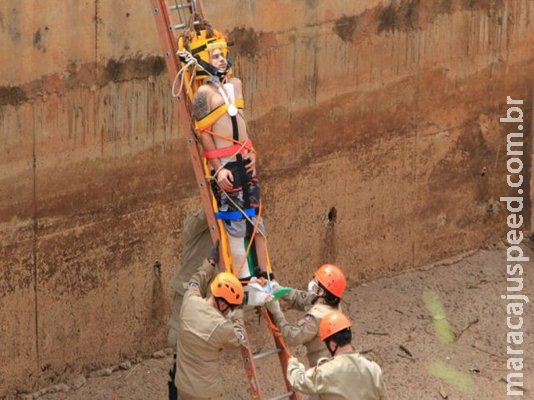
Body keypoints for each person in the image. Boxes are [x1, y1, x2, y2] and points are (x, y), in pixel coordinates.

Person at [181, 21, 270, 279]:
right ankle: (242, 279)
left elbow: (240, 122)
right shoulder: (203, 95)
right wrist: (217, 169)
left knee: (257, 221)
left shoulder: (236, 85)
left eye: (222, 54)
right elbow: (205, 135)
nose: (221, 60)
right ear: (202, 60)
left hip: (244, 159)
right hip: (226, 166)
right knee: (234, 223)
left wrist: (251, 149)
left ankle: (265, 276)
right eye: (215, 56)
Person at [175, 247, 247, 399]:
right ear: (222, 305)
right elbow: (241, 338)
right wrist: (239, 312)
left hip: (183, 387)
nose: (230, 312)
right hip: (206, 393)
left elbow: (194, 282)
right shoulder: (221, 326)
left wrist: (210, 263)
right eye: (230, 308)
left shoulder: (189, 300)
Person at [287, 311, 389, 400]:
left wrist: (294, 366)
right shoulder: (374, 368)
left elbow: (299, 382)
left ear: (332, 345)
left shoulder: (325, 371)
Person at [167, 209, 212, 399]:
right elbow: (188, 229)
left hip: (212, 297)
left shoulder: (236, 219)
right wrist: (213, 207)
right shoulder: (201, 219)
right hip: (189, 293)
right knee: (180, 347)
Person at [266, 264, 347, 366]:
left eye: (316, 281)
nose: (312, 282)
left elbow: (292, 336)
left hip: (325, 373)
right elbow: (303, 299)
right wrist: (281, 290)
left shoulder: (316, 318)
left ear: (321, 291)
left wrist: (276, 312)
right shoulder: (333, 304)